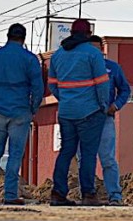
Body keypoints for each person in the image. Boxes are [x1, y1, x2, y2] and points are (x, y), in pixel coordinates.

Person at [47, 18, 110, 206]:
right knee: (88, 154)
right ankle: (88, 194)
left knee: (66, 152)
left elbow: (52, 85)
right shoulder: (93, 53)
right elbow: (102, 84)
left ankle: (58, 193)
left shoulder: (58, 55)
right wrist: (102, 105)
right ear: (88, 34)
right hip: (90, 112)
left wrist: (66, 99)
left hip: (66, 112)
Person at [0, 23, 44, 205]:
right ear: (23, 38)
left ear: (7, 36)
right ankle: (10, 194)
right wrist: (33, 108)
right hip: (20, 111)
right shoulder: (29, 59)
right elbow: (37, 87)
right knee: (15, 154)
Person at [87, 35, 132, 205]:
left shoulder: (112, 68)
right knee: (85, 159)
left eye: (96, 48)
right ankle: (88, 195)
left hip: (105, 119)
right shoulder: (82, 69)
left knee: (108, 159)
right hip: (85, 120)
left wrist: (116, 105)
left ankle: (115, 196)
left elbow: (125, 90)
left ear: (102, 50)